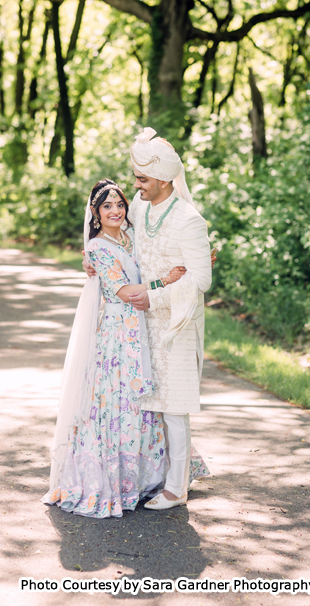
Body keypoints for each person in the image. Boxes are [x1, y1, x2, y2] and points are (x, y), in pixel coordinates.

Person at [43, 179, 195, 518]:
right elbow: (124, 292)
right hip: (116, 334)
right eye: (107, 206)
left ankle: (146, 479)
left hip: (142, 326)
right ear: (96, 213)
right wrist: (165, 281)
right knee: (118, 398)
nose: (115, 211)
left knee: (144, 399)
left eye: (120, 205)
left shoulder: (129, 237)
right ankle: (114, 480)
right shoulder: (98, 248)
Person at [83, 128, 213, 510]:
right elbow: (116, 239)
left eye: (141, 179)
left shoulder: (190, 220)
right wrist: (92, 260)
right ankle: (152, 476)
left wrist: (154, 295)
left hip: (175, 322)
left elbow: (201, 278)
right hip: (139, 325)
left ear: (161, 179)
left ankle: (176, 488)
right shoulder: (140, 207)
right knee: (148, 404)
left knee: (174, 405)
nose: (134, 185)